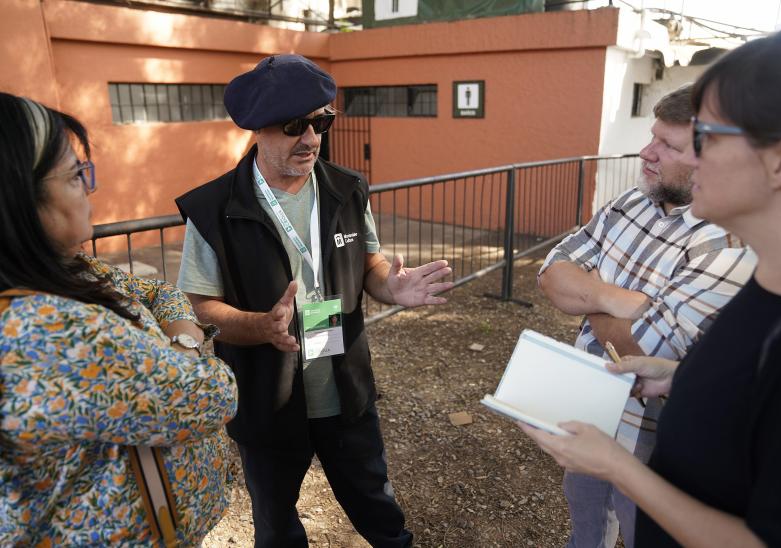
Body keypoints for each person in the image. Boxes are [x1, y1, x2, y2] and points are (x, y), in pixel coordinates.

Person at [521, 17, 781, 547]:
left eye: (704, 137)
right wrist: (675, 372)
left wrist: (619, 466)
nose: (660, 157)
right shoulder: (777, 287)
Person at [175, 54, 453, 547]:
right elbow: (198, 305)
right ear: (258, 129)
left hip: (343, 386)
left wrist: (394, 286)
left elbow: (371, 265)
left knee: (376, 503)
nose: (310, 138)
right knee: (276, 524)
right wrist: (261, 326)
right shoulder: (213, 208)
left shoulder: (347, 190)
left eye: (321, 122)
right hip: (267, 397)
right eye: (293, 125)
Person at [0, 92, 238, 545]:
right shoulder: (53, 331)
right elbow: (214, 393)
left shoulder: (67, 269)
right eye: (75, 175)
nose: (90, 189)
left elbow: (156, 289)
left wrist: (179, 340)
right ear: (19, 197)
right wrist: (187, 345)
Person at [536, 85, 756, 547]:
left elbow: (648, 350)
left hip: (655, 438)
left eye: (668, 145)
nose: (646, 152)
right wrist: (624, 303)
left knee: (644, 532)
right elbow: (550, 273)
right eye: (652, 136)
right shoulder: (630, 202)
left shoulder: (729, 242)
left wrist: (589, 289)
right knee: (585, 516)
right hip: (590, 403)